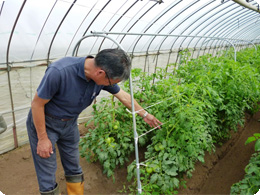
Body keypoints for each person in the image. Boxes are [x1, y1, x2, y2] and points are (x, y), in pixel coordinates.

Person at [26, 48, 162, 195]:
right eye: (112, 81)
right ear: (101, 73)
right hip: (46, 123)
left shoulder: (102, 76)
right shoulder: (60, 71)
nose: (111, 85)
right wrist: (42, 138)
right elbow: (37, 104)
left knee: (73, 166)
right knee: (47, 171)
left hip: (70, 124)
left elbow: (123, 96)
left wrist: (145, 114)